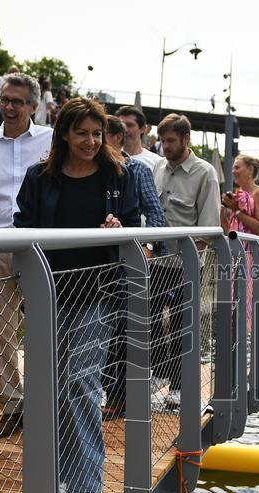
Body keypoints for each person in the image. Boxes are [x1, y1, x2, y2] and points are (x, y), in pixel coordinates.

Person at [14, 96, 133, 493]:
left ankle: (83, 488)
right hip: (49, 291)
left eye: (96, 133)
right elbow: (22, 227)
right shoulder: (39, 177)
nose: (89, 140)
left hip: (95, 295)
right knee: (54, 387)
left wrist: (121, 228)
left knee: (82, 383)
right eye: (81, 132)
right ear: (64, 133)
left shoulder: (118, 176)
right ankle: (62, 472)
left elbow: (139, 226)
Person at [0, 73, 53, 438]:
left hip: (40, 246)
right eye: (5, 99)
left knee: (45, 329)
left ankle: (44, 404)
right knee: (1, 329)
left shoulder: (53, 140)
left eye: (18, 101)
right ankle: (12, 405)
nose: (9, 107)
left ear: (34, 106)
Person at [100, 114, 166, 419]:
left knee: (123, 327)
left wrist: (148, 247)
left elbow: (155, 213)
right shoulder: (88, 168)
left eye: (100, 136)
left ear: (115, 138)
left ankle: (119, 394)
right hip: (93, 261)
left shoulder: (137, 170)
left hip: (126, 262)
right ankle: (104, 389)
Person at [153, 113, 220, 410]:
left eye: (170, 141)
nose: (165, 146)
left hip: (186, 264)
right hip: (155, 262)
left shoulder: (204, 173)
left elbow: (207, 227)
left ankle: (179, 387)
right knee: (148, 322)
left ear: (186, 139)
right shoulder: (158, 167)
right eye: (162, 140)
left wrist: (188, 252)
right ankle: (159, 373)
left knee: (182, 327)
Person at [220, 154, 259, 332]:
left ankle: (242, 346)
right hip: (235, 255)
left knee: (245, 303)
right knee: (232, 301)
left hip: (250, 256)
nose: (233, 171)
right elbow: (230, 231)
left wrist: (236, 211)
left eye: (237, 167)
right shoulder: (238, 196)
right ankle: (234, 347)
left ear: (250, 170)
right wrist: (224, 212)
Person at [116, 105, 163, 170]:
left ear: (143, 128)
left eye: (130, 125)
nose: (125, 129)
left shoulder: (156, 162)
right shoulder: (110, 158)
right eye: (121, 125)